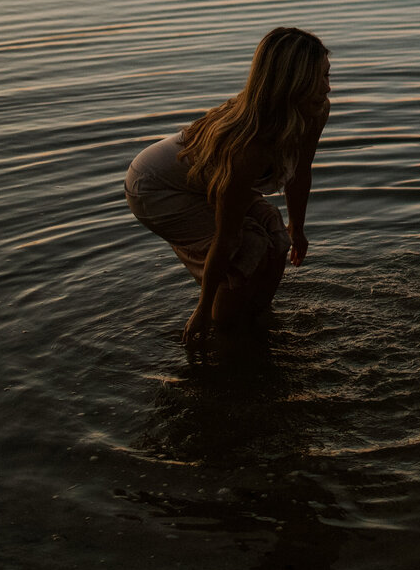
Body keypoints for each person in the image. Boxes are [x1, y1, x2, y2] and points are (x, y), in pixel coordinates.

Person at [125, 27, 331, 347]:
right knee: (247, 246)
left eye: (328, 76)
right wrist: (203, 308)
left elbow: (301, 172)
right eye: (318, 78)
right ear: (292, 83)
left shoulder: (314, 111)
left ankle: (258, 321)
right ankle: (220, 335)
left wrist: (298, 229)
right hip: (157, 188)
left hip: (197, 178)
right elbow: (227, 236)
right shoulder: (248, 146)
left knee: (275, 236)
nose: (327, 87)